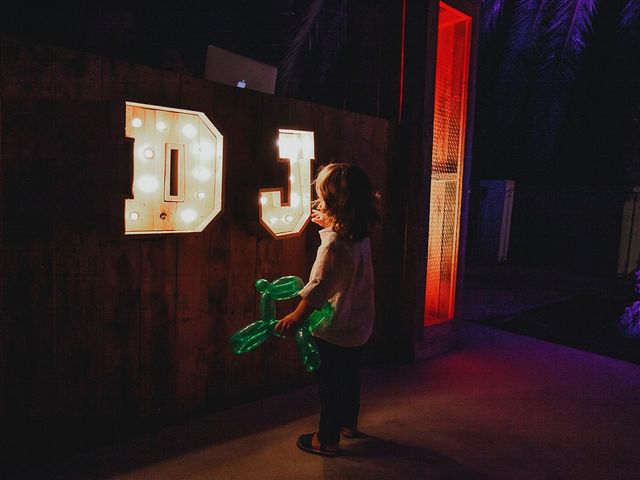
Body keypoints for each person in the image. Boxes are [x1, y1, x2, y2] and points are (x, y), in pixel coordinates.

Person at [274, 162, 378, 457]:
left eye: (322, 195)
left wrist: (296, 316)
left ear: (333, 202)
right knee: (350, 376)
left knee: (329, 386)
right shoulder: (360, 233)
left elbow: (318, 288)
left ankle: (327, 439)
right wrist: (330, 223)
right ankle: (349, 424)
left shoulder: (332, 245)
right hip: (358, 325)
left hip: (335, 328)